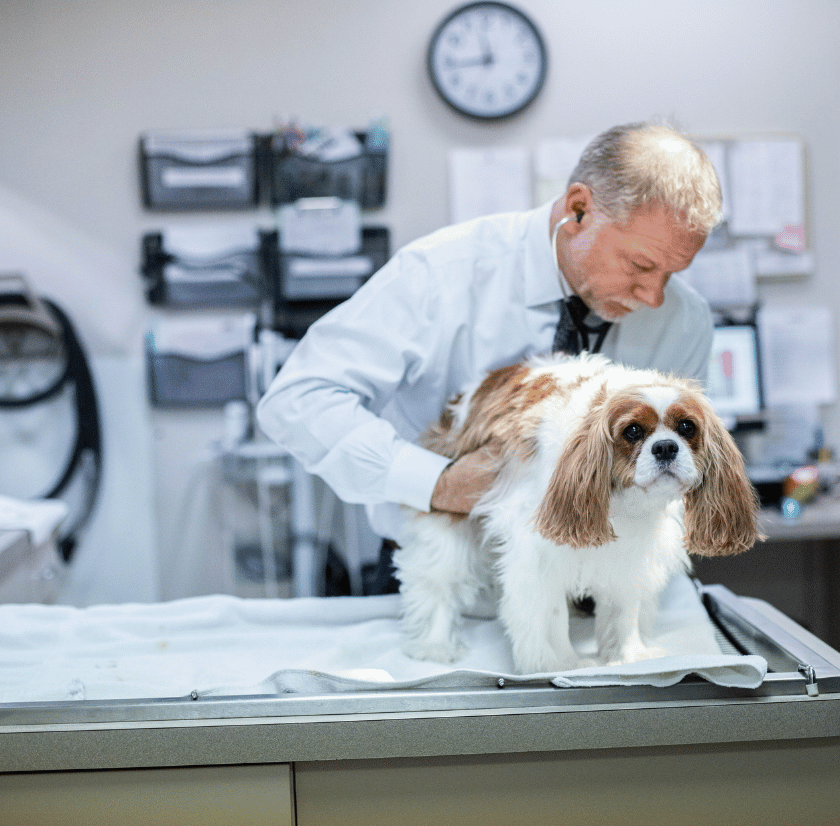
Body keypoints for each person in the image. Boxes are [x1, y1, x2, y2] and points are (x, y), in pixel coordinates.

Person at [256, 122, 723, 589]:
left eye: (672, 273)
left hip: (601, 578)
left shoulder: (684, 321)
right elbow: (298, 399)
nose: (654, 297)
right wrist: (437, 483)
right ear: (579, 209)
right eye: (640, 266)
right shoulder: (442, 275)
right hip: (444, 569)